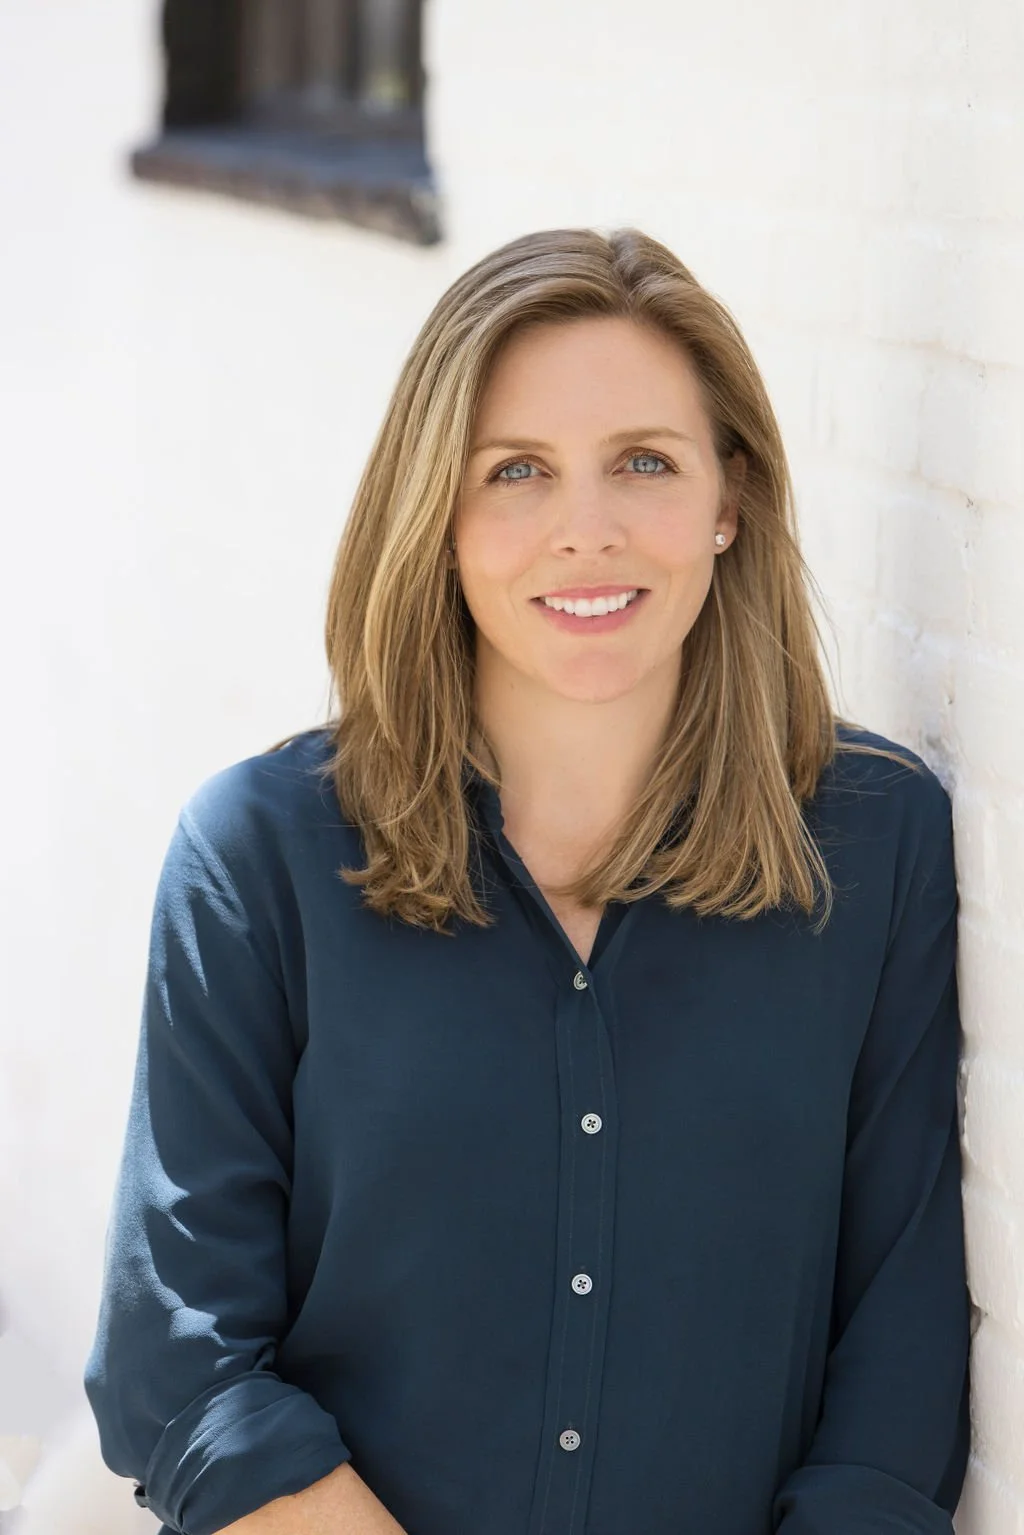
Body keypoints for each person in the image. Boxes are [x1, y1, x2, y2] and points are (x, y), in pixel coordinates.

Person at [83, 226, 971, 1535]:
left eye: (643, 463)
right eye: (518, 473)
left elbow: (895, 1388)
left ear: (731, 496)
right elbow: (183, 1371)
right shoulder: (258, 857)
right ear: (436, 512)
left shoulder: (876, 848)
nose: (586, 530)